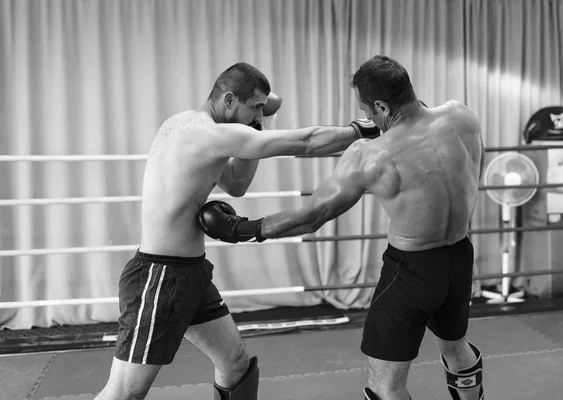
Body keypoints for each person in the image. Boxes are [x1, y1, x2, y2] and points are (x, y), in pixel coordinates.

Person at [199, 55, 486, 400]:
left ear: (380, 106)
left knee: (384, 385)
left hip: (411, 273)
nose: (366, 118)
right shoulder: (461, 116)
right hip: (458, 258)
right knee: (455, 348)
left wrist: (243, 228)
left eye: (367, 110)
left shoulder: (372, 155)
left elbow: (313, 215)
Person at [95, 62, 379, 400]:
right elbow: (307, 142)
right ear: (229, 100)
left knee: (236, 365)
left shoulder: (186, 127)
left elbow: (237, 185)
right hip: (161, 277)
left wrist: (258, 125)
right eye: (255, 106)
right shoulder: (206, 134)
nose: (258, 113)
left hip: (190, 275)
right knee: (124, 393)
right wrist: (365, 129)